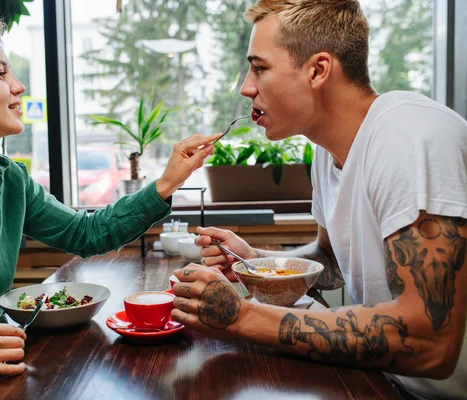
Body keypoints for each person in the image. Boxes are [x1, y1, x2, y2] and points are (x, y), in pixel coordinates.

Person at [0, 12, 220, 398]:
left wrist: (168, 181)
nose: (18, 86)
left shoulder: (8, 182)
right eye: (0, 73)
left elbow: (87, 234)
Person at [170, 1, 467, 399]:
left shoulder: (410, 138)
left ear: (318, 70)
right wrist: (253, 264)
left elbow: (431, 344)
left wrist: (242, 317)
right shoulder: (327, 153)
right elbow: (331, 262)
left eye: (259, 67)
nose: (246, 86)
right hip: (384, 381)